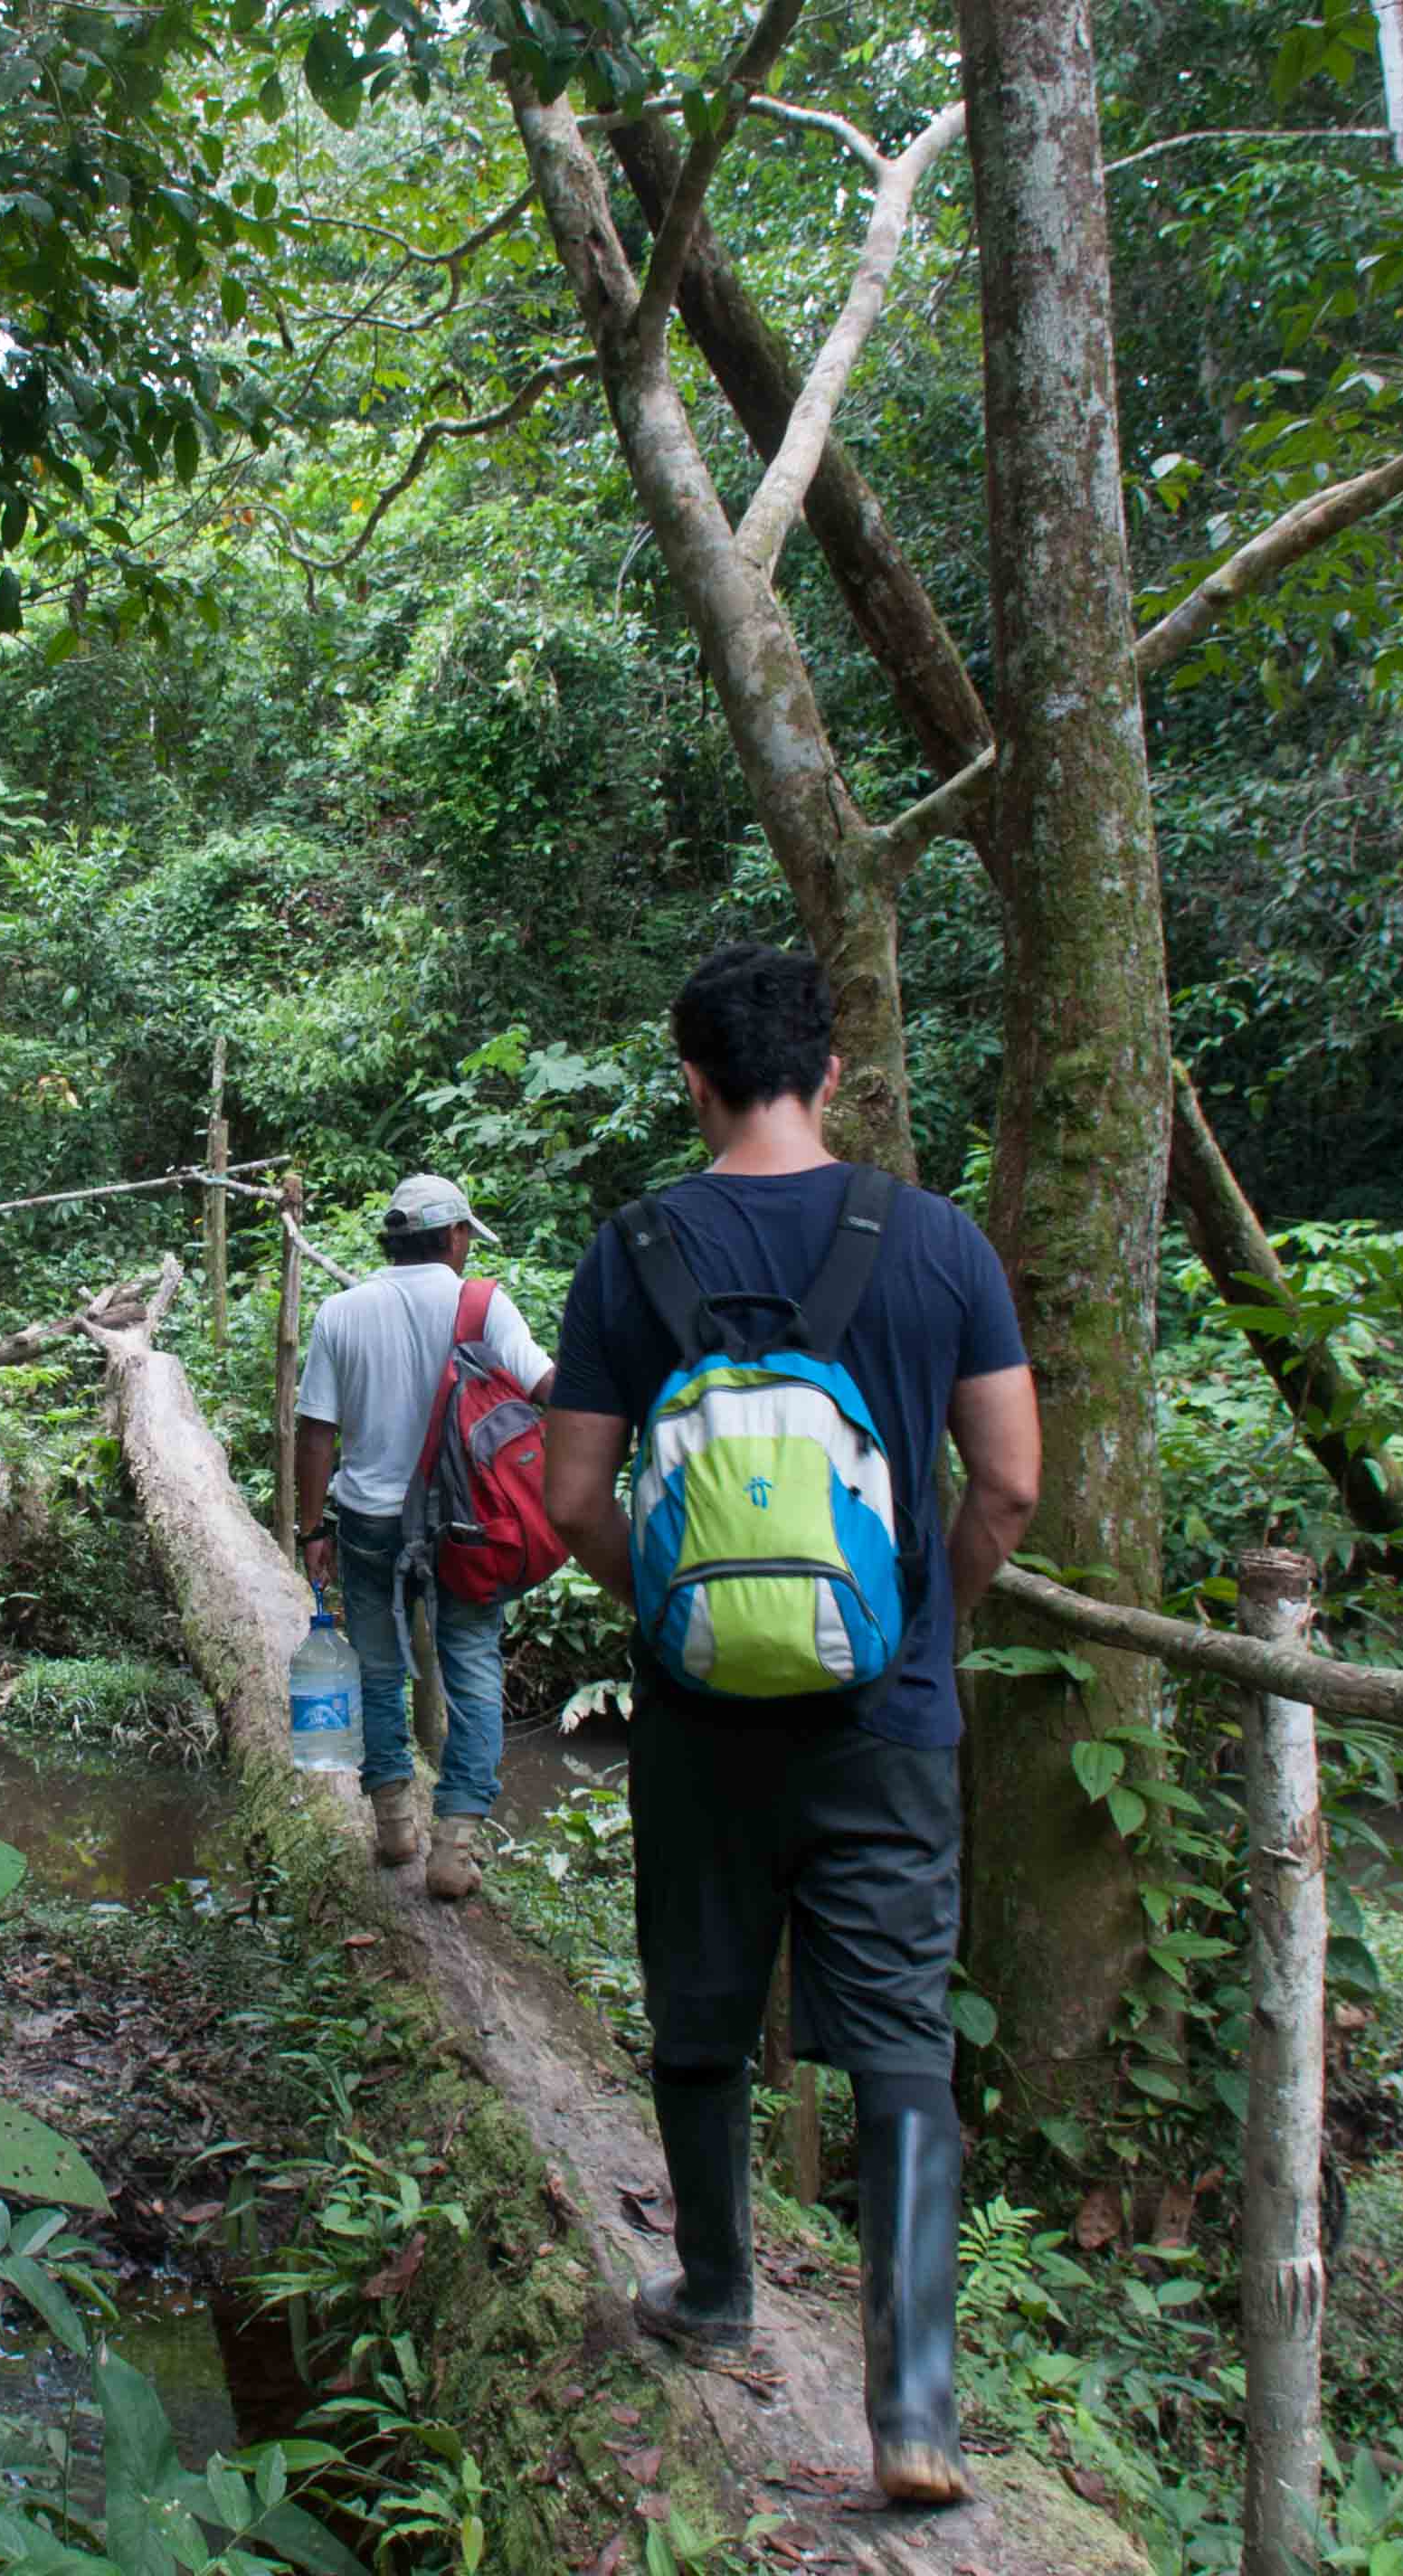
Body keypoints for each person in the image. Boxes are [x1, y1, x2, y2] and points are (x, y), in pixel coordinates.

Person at [538, 944, 1041, 2510]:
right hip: (884, 1711)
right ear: (831, 1073)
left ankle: (712, 2286)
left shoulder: (632, 1248)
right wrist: (914, 1615)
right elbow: (1010, 1482)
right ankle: (910, 2408)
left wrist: (671, 1623)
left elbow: (567, 1495)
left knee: (698, 1993)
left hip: (696, 1716)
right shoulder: (939, 1242)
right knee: (895, 2024)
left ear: (688, 1076)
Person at [291, 1172, 553, 1901]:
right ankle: (453, 1848)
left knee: (379, 1670)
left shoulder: (341, 1311)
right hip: (466, 1526)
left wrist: (313, 1528)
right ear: (457, 1235)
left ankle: (394, 1828)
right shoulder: (484, 1304)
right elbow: (548, 1390)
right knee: (471, 1667)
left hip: (368, 1525)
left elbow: (317, 1431)